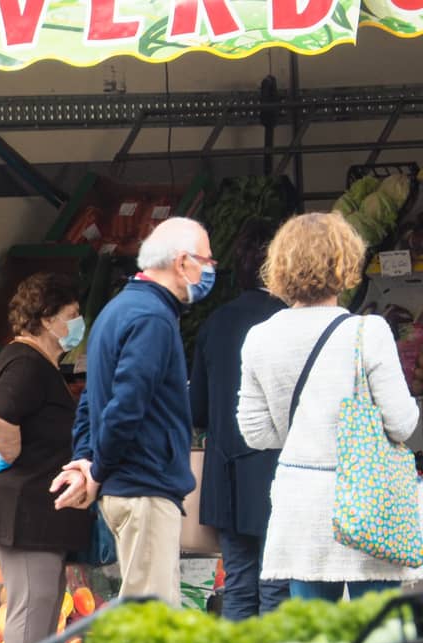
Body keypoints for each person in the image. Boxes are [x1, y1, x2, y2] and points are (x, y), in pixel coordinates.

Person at [237, 211, 423, 601]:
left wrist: (304, 429)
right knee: (378, 642)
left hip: (300, 505)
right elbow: (402, 425)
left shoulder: (260, 338)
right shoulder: (367, 331)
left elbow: (255, 434)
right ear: (345, 262)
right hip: (369, 504)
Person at [51, 217, 213, 607]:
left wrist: (86, 459)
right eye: (206, 261)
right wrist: (97, 468)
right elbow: (126, 407)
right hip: (145, 487)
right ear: (181, 262)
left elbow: (93, 397)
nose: (210, 271)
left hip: (128, 487)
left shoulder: (117, 310)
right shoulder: (153, 319)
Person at [0, 272, 92, 643]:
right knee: (30, 605)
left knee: (44, 604)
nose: (78, 323)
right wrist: (12, 453)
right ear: (45, 319)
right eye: (71, 316)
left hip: (39, 514)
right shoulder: (26, 363)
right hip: (27, 512)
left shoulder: (38, 364)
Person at [189, 219, 287, 619]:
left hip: (226, 475)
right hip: (277, 474)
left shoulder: (216, 322)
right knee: (278, 588)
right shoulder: (288, 320)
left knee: (240, 585)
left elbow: (197, 409)